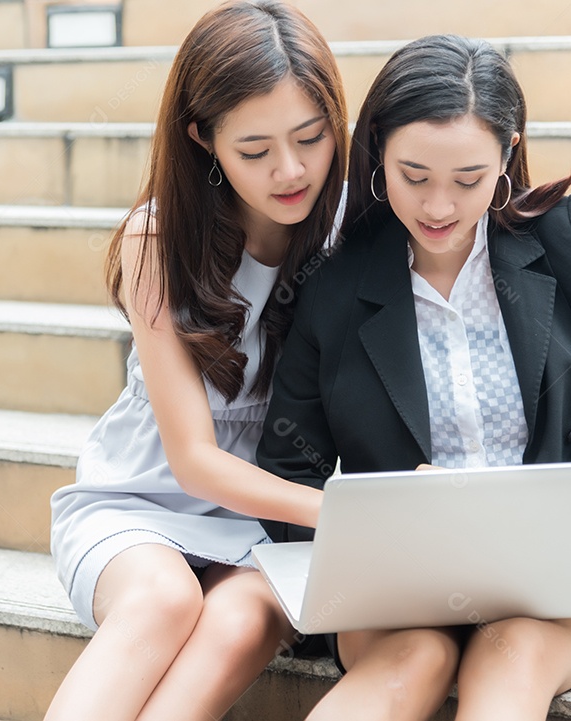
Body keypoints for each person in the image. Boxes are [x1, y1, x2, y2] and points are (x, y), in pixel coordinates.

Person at [255, 34, 571, 721]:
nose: (440, 207)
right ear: (378, 154)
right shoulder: (333, 286)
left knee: (509, 657)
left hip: (551, 584)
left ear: (508, 153)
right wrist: (389, 521)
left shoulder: (565, 240)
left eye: (469, 179)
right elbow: (283, 480)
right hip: (398, 589)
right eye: (414, 176)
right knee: (410, 661)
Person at [46, 2, 347, 719]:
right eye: (254, 150)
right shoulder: (159, 239)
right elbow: (193, 462)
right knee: (164, 597)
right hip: (138, 501)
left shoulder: (343, 228)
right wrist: (346, 514)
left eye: (311, 137)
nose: (290, 169)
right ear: (202, 139)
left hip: (263, 525)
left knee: (243, 618)